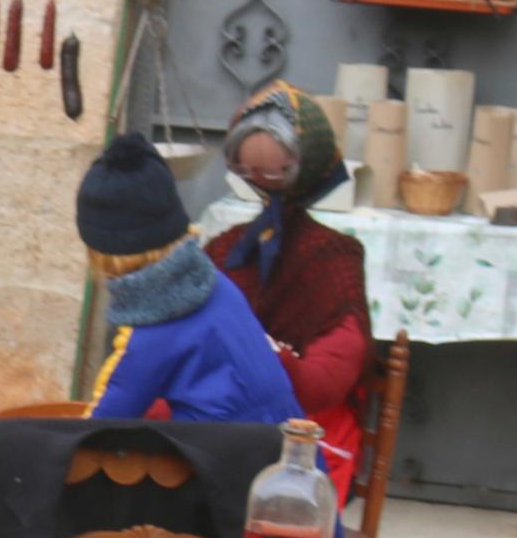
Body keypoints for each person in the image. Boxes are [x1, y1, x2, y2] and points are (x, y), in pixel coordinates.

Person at [204, 83, 373, 496]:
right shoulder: (227, 249)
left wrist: (265, 356)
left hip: (308, 440)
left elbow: (324, 381)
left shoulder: (333, 259)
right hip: (225, 422)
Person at [78, 130, 303, 432]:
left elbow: (97, 427)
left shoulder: (150, 338)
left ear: (104, 257)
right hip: (288, 455)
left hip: (232, 468)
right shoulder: (215, 285)